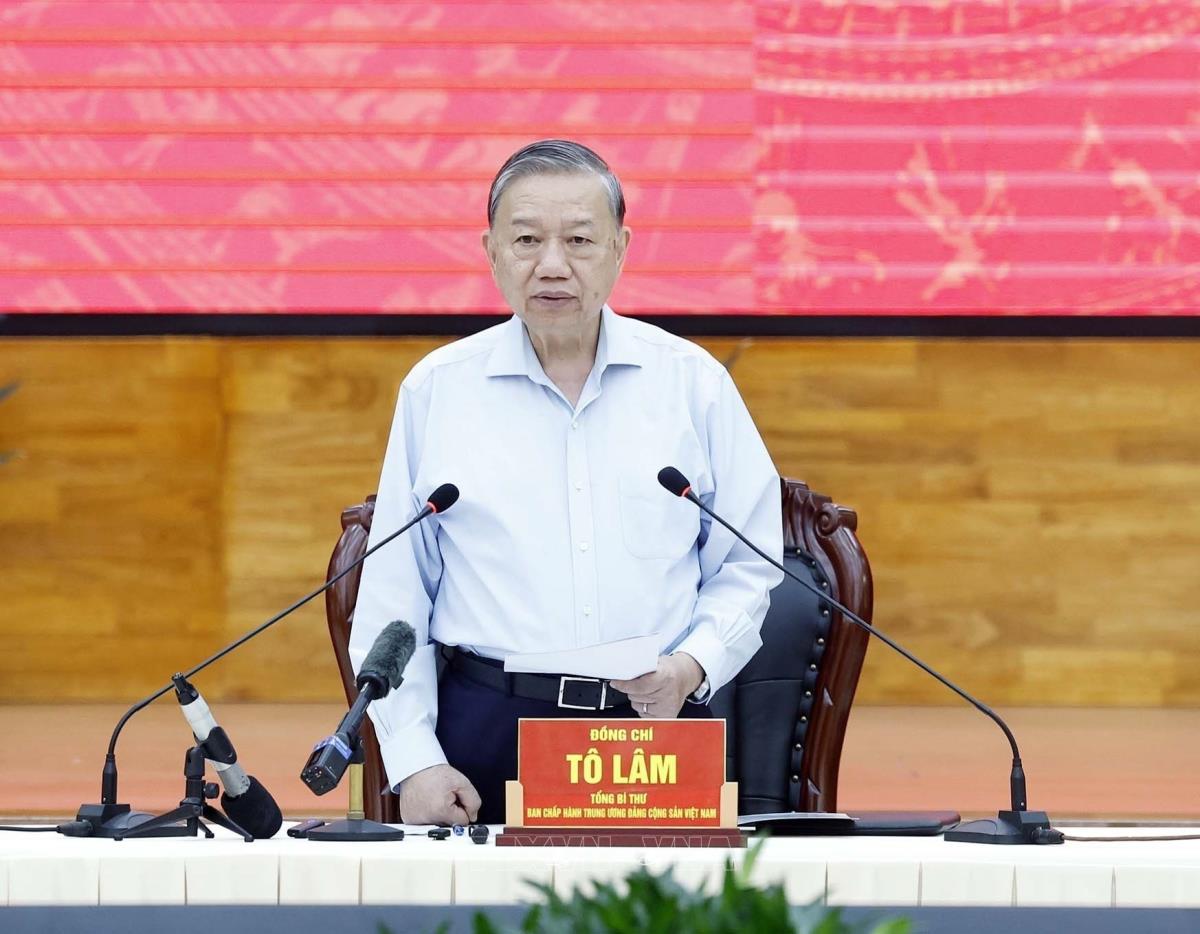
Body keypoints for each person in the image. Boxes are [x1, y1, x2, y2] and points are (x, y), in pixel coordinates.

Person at [349, 139, 783, 825]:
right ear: (492, 251)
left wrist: (691, 665)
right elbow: (394, 593)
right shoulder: (439, 390)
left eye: (579, 240)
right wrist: (415, 759)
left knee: (657, 898)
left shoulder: (692, 384)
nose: (552, 264)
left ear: (620, 249)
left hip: (651, 729)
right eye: (527, 239)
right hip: (487, 726)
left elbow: (748, 564)